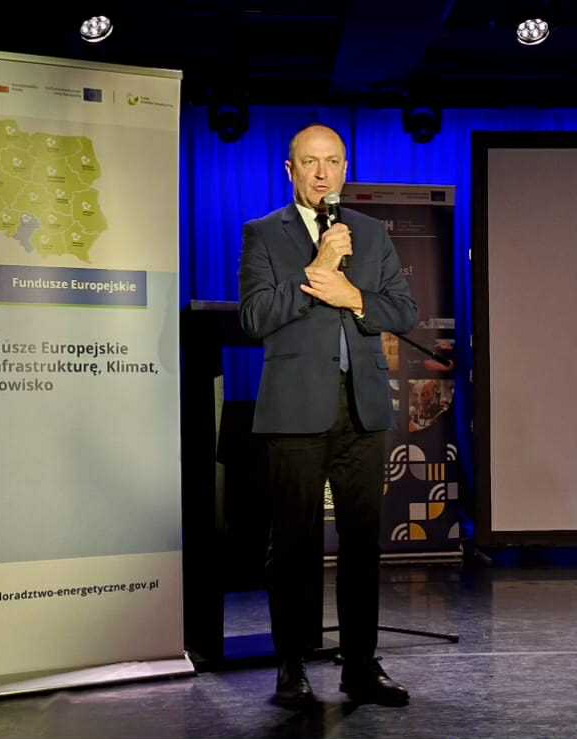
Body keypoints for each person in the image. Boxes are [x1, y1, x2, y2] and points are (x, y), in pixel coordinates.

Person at [238, 124, 418, 708]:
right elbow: (255, 318)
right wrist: (316, 272)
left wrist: (354, 297)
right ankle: (291, 667)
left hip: (362, 409)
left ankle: (360, 666)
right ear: (290, 170)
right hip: (294, 410)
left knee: (362, 544)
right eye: (311, 162)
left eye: (333, 162)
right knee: (293, 544)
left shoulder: (370, 232)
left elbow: (404, 312)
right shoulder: (264, 233)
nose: (322, 174)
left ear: (345, 168)